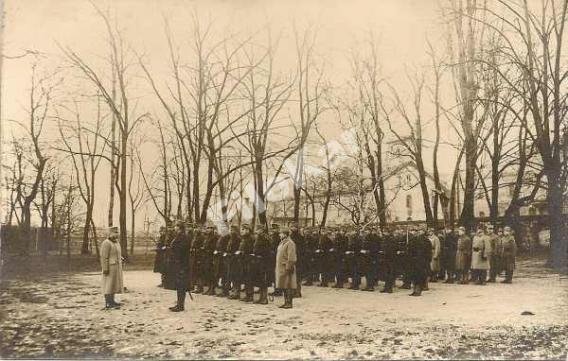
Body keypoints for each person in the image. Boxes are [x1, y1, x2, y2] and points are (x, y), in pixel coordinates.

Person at [168, 221, 190, 312]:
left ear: (180, 227)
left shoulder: (184, 237)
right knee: (179, 284)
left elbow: (181, 251)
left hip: (182, 264)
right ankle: (179, 303)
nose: (175, 227)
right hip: (177, 264)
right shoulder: (178, 236)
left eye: (176, 226)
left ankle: (180, 305)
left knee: (181, 285)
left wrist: (174, 253)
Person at [100, 227, 124, 309]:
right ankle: (108, 302)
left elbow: (116, 253)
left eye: (117, 232)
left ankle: (112, 301)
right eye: (115, 232)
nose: (117, 234)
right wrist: (105, 268)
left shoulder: (117, 243)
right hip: (109, 267)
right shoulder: (106, 243)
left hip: (116, 267)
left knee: (114, 284)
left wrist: (120, 258)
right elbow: (104, 257)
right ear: (110, 233)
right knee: (108, 285)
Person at [275, 227, 297, 309]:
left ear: (284, 234)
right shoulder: (282, 242)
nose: (279, 235)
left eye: (280, 233)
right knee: (284, 285)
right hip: (281, 267)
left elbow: (291, 257)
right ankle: (286, 302)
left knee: (288, 285)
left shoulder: (290, 243)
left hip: (287, 268)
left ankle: (289, 303)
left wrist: (288, 267)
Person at [408, 228, 432, 296]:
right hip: (419, 260)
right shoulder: (418, 240)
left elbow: (428, 252)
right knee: (417, 275)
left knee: (418, 276)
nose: (419, 232)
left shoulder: (424, 241)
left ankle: (417, 290)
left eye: (421, 231)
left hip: (419, 261)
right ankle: (416, 290)